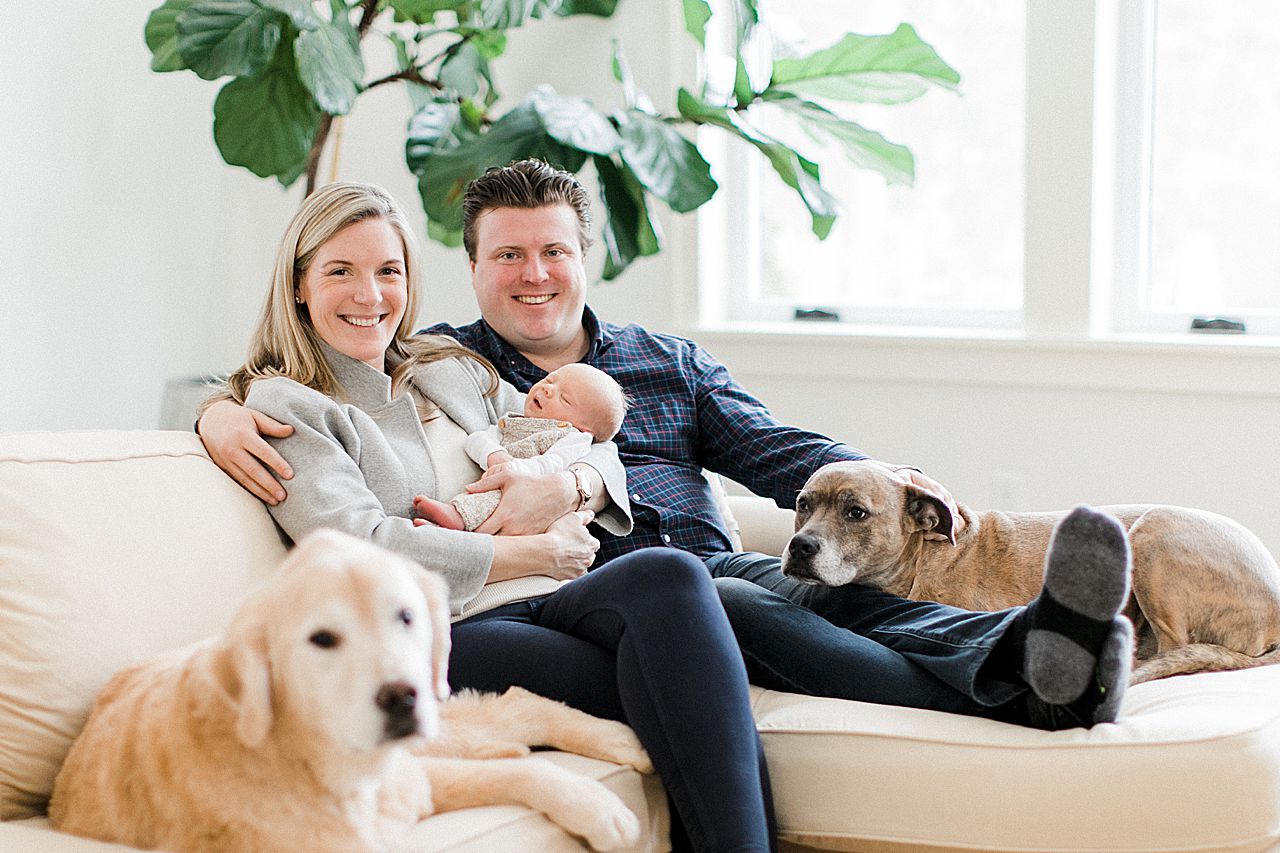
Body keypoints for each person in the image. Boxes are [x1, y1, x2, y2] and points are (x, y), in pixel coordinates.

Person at [198, 161, 1134, 734]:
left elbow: (775, 451)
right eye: (507, 255)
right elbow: (326, 358)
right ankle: (1030, 679)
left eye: (551, 251)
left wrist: (883, 470)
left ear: (583, 256)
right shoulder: (452, 366)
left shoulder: (664, 363)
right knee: (741, 599)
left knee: (837, 598)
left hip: (715, 560)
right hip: (613, 592)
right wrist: (219, 406)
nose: (532, 274)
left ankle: (1042, 647)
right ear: (474, 269)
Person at [207, 181, 776, 852]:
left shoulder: (449, 368)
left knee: (673, 577)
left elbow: (592, 445)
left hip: (550, 600)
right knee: (687, 673)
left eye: (389, 270)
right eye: (341, 271)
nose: (371, 294)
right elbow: (364, 546)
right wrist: (533, 554)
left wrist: (569, 487)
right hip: (452, 627)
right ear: (299, 285)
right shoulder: (293, 405)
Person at [413, 362, 627, 532]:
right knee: (479, 494)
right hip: (496, 478)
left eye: (565, 399)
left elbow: (554, 463)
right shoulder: (511, 420)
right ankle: (448, 529)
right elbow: (477, 439)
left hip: (528, 490)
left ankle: (455, 517)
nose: (548, 389)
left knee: (498, 500)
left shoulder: (573, 438)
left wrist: (518, 470)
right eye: (549, 379)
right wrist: (494, 455)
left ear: (584, 428)